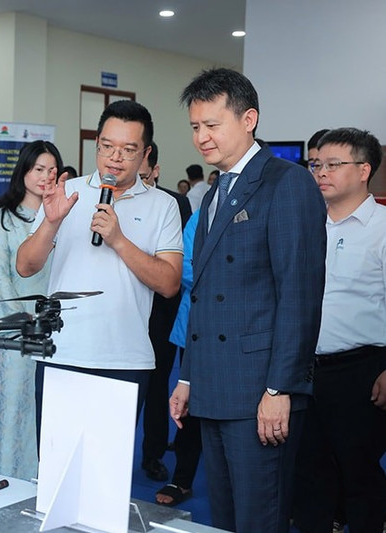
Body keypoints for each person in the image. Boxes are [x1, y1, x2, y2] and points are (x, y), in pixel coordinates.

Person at [169, 68, 326, 533]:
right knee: (224, 517)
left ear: (248, 119)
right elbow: (202, 297)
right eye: (195, 126)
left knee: (260, 518)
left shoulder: (287, 183)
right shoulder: (214, 192)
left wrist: (280, 390)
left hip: (260, 392)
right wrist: (188, 377)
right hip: (214, 386)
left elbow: (298, 296)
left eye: (211, 125)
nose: (201, 137)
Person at [16, 100, 182, 439]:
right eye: (107, 146)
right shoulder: (67, 193)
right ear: (97, 144)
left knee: (108, 466)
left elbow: (169, 283)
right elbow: (25, 266)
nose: (115, 158)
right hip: (61, 353)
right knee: (55, 462)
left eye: (128, 150)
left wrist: (119, 240)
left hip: (125, 361)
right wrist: (51, 223)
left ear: (146, 153)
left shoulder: (164, 205)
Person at [292, 127, 386, 533]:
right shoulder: (306, 223)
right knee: (309, 470)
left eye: (333, 164)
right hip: (303, 368)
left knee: (358, 472)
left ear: (363, 170)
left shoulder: (382, 227)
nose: (321, 173)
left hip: (360, 371)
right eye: (317, 164)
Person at [0, 140, 63, 480]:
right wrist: (19, 325)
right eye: (38, 169)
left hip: (57, 333)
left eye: (52, 170)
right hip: (15, 334)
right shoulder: (4, 219)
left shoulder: (61, 217)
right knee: (12, 408)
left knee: (51, 409)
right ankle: (7, 476)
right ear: (23, 171)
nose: (45, 176)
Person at [138, 141, 191, 482]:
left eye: (143, 175)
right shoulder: (114, 200)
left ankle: (153, 454)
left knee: (158, 384)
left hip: (162, 308)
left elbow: (179, 259)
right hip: (126, 307)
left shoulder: (175, 203)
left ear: (155, 171)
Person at [156, 210, 202, 506]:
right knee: (188, 406)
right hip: (196, 326)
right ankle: (182, 479)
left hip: (244, 329)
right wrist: (230, 283)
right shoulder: (203, 213)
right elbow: (183, 267)